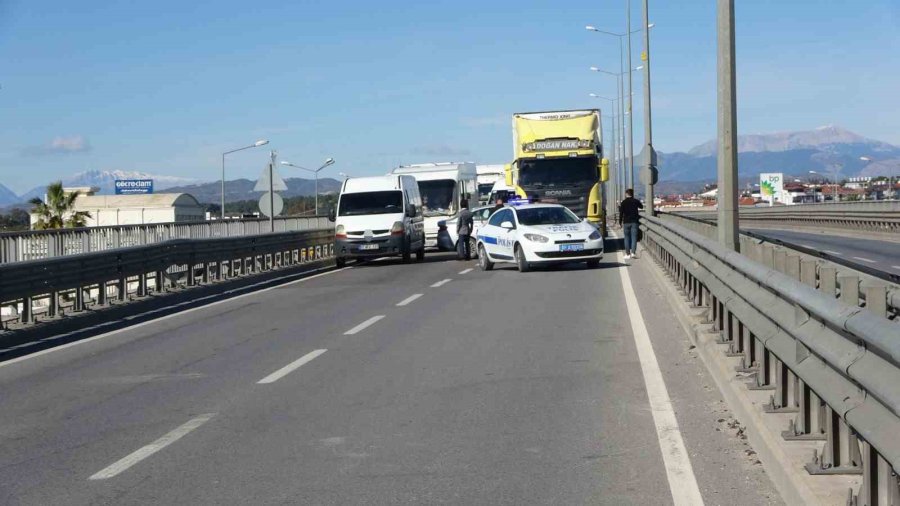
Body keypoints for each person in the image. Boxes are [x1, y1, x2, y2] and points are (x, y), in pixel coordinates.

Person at [618, 188, 643, 259]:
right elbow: (641, 206)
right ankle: (633, 253)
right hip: (634, 222)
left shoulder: (623, 202)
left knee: (626, 237)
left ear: (626, 194)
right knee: (634, 237)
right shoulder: (635, 201)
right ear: (632, 194)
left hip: (626, 222)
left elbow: (621, 213)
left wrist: (620, 222)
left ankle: (627, 254)